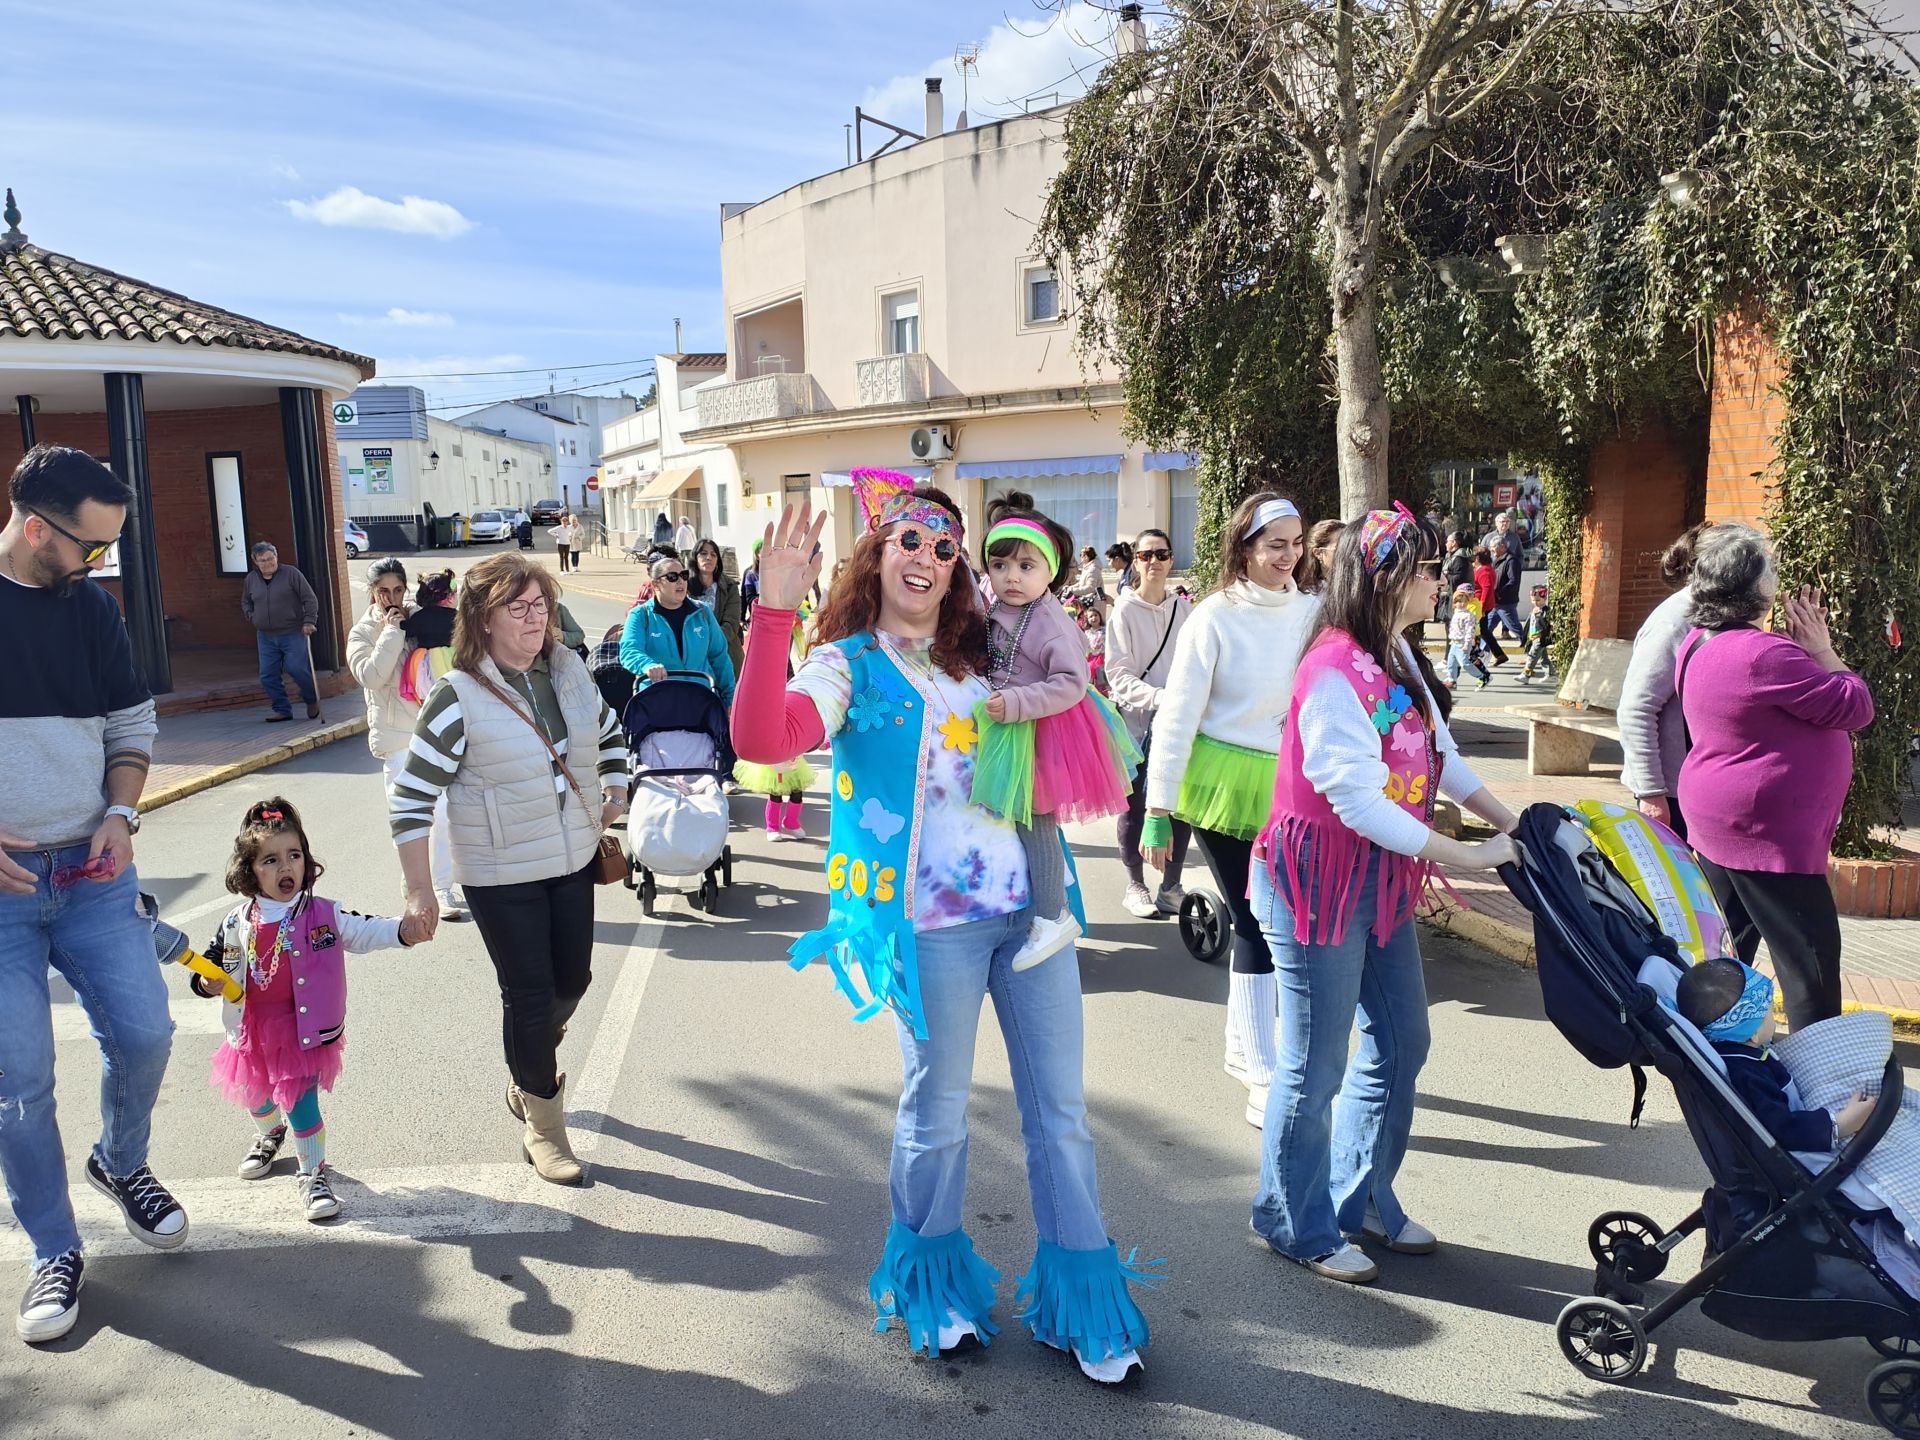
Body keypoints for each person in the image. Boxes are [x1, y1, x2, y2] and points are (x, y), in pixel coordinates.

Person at [731, 472, 1157, 1384]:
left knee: (1064, 1118)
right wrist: (772, 614)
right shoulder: (845, 662)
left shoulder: (985, 656)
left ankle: (1081, 1303)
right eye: (908, 541)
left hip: (1029, 917)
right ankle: (932, 1288)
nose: (926, 557)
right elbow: (765, 740)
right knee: (939, 1117)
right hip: (929, 930)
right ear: (877, 556)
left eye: (942, 545)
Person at [1250, 507, 1519, 1284]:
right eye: (1429, 568)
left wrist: (1515, 825)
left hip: (1377, 879)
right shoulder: (1332, 669)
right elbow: (1358, 803)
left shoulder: (1394, 652)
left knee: (1404, 1041)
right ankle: (1290, 1220)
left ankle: (1358, 1197)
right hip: (1316, 884)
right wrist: (1472, 857)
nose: (1442, 580)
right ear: (1387, 579)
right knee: (1313, 1064)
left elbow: (1444, 760)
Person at [0, 445, 186, 1345]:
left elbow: (131, 721)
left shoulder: (93, 613)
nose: (99, 566)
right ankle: (54, 1249)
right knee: (19, 1080)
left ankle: (120, 1163)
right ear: (37, 529)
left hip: (93, 874)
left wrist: (121, 809)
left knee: (147, 1031)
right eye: (90, 548)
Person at [388, 553, 629, 1184]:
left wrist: (618, 789)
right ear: (483, 619)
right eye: (517, 608)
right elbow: (411, 799)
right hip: (500, 872)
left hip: (573, 855)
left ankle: (529, 1068)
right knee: (527, 997)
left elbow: (608, 734)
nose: (534, 618)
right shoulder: (456, 694)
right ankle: (545, 1127)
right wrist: (420, 889)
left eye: (541, 605)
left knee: (570, 982)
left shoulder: (570, 670)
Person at [1144, 491, 1318, 1127]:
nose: (1289, 557)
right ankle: (1259, 1072)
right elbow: (1178, 716)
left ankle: (1254, 1049)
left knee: (1289, 921)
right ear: (1245, 548)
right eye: (1276, 545)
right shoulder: (1212, 616)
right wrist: (1158, 811)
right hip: (1223, 788)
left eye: (1297, 545)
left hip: (1296, 788)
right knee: (1255, 917)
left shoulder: (1317, 613)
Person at [1675, 523, 1872, 1032]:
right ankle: (1821, 1083)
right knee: (1808, 964)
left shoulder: (1699, 641)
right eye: (1771, 573)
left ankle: (1718, 1055)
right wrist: (1822, 649)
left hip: (1721, 821)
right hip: (1766, 837)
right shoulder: (1765, 654)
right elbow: (1856, 705)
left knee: (1727, 951)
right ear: (1755, 590)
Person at [194, 798, 426, 1221]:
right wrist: (205, 982)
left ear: (306, 861)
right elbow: (214, 961)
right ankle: (270, 1134)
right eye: (271, 860)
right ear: (250, 871)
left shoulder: (322, 913)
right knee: (255, 1095)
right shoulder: (236, 921)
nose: (286, 867)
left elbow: (365, 928)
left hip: (300, 1032)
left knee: (301, 1102)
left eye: (294, 856)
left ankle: (312, 1173)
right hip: (250, 1029)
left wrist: (403, 931)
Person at [970, 494, 1141, 972]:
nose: (1012, 576)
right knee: (1012, 820)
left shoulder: (1049, 620)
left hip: (1043, 729)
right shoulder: (997, 605)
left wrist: (1020, 702)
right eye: (1000, 564)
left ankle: (1053, 914)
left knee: (1036, 823)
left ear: (1052, 570)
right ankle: (1026, 900)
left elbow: (1072, 682)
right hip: (1010, 723)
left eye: (1027, 565)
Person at [346, 559, 464, 922]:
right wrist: (391, 633)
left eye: (398, 589)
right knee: (411, 820)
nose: (392, 598)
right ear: (372, 592)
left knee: (444, 814)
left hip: (432, 734)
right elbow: (371, 675)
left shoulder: (419, 618)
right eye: (384, 591)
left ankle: (442, 887)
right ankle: (415, 885)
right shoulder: (362, 632)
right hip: (397, 740)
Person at [1675, 958, 1873, 1153]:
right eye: (1768, 1012)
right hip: (1804, 1152)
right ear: (1752, 1032)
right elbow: (1781, 1129)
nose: (1775, 1016)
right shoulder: (1746, 1074)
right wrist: (1842, 1124)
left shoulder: (1734, 1048)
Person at [1105, 528, 1193, 918]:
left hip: (1178, 725)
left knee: (1179, 803)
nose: (1154, 562)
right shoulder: (1123, 610)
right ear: (1135, 560)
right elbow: (1118, 674)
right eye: (1145, 555)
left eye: (1162, 554)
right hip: (1135, 725)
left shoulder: (1185, 610)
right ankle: (1135, 885)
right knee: (1135, 804)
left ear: (1172, 559)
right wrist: (1160, 698)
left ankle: (1171, 885)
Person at [1619, 523, 1716, 835]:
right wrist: (1650, 792)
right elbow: (1636, 708)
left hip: (1698, 787)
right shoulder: (1676, 618)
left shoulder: (1717, 613)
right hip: (1672, 794)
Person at [619, 554, 738, 705]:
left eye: (684, 575)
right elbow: (629, 650)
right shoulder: (640, 615)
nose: (681, 581)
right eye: (672, 577)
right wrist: (647, 665)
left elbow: (720, 658)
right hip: (657, 702)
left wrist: (731, 699)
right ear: (655, 585)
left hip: (701, 701)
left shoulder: (702, 613)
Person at [242, 541, 321, 722]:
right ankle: (282, 709)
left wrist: (309, 621)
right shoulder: (251, 579)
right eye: (262, 560)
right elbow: (246, 601)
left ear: (276, 557)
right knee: (267, 675)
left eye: (271, 558)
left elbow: (309, 599)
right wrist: (252, 616)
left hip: (292, 631)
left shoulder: (291, 574)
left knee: (296, 668)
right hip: (265, 635)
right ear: (255, 561)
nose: (268, 563)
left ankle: (311, 699)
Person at [688, 537, 745, 675]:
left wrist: (707, 643)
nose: (709, 558)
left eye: (713, 554)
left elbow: (731, 624)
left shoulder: (730, 586)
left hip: (726, 654)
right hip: (693, 657)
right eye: (703, 553)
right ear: (695, 558)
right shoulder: (684, 586)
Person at [1445, 584, 1490, 690]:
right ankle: (1452, 680)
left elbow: (1470, 630)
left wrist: (1467, 643)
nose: (1462, 604)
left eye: (1464, 601)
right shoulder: (1456, 613)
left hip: (1463, 643)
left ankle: (1482, 676)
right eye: (1459, 602)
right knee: (1451, 663)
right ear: (1454, 603)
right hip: (1454, 642)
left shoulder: (1468, 615)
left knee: (1465, 663)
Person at [1488, 534, 1526, 648]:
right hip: (1496, 602)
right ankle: (1484, 655)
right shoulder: (1497, 560)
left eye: (1493, 546)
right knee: (1486, 629)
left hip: (1506, 603)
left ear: (1503, 546)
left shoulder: (1511, 561)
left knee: (1515, 628)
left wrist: (1499, 593)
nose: (1491, 549)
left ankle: (1533, 652)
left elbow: (1513, 581)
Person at [1470, 546, 1506, 666]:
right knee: (1484, 631)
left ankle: (1480, 654)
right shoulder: (1483, 569)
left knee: (1480, 630)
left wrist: (1482, 608)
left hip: (1481, 605)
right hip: (1480, 604)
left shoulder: (1484, 571)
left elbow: (1487, 589)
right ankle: (1498, 654)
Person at [1298, 519, 1346, 596]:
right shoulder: (1307, 597)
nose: (1348, 552)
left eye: (1350, 546)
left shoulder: (1359, 588)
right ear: (1318, 553)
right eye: (1340, 547)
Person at [1521, 582, 1554, 682]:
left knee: (1532, 656)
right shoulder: (1534, 610)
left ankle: (1525, 675)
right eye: (1533, 600)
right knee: (1543, 658)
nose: (1535, 602)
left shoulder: (1545, 611)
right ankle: (1550, 675)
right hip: (1533, 637)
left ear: (1545, 598)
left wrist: (1545, 635)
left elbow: (1546, 625)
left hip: (1540, 637)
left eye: (1538, 600)